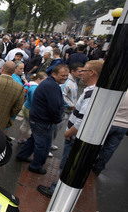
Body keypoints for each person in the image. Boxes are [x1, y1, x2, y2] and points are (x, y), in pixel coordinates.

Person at [37, 60, 104, 197]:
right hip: (73, 134)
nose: (81, 74)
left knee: (67, 164)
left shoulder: (92, 93)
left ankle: (56, 191)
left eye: (83, 71)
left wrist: (68, 133)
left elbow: (82, 120)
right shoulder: (90, 90)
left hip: (74, 136)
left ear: (92, 73)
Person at [16, 64, 69, 174]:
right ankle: (36, 166)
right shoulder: (51, 86)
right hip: (43, 121)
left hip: (38, 118)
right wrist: (57, 119)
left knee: (34, 139)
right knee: (43, 145)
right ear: (54, 74)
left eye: (66, 76)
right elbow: (54, 107)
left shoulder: (50, 84)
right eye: (62, 75)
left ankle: (22, 156)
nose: (65, 78)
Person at [93, 91, 128, 175]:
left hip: (109, 122)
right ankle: (97, 169)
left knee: (96, 144)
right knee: (109, 149)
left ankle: (87, 163)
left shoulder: (119, 91)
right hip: (124, 125)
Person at [18, 72, 48, 144]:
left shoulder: (30, 85)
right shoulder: (35, 88)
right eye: (44, 80)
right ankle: (29, 142)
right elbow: (34, 101)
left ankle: (21, 139)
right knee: (32, 128)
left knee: (25, 124)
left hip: (26, 107)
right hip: (31, 109)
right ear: (38, 79)